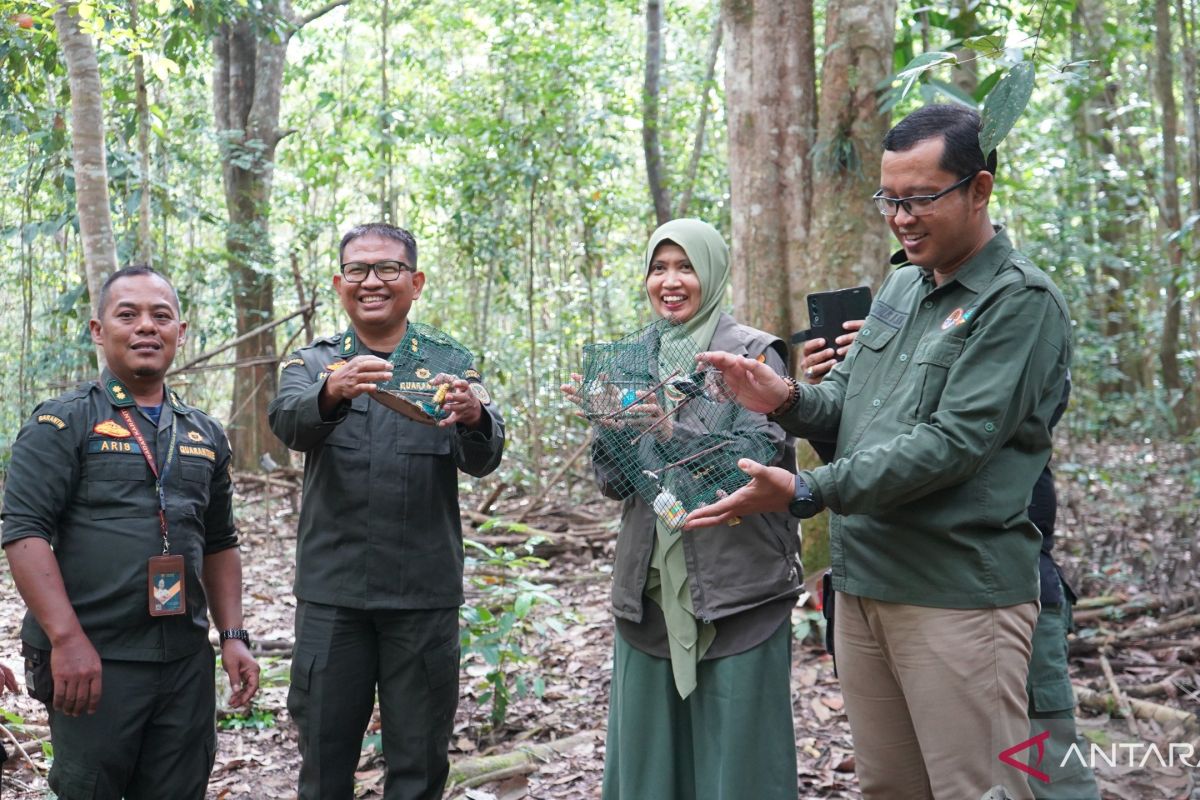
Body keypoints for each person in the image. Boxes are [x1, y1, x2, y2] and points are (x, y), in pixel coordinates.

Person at [687, 105, 1072, 800]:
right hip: (866, 587)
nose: (901, 217)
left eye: (921, 198)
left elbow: (951, 445)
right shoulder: (901, 285)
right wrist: (785, 398)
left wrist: (808, 491)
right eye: (890, 199)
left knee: (982, 788)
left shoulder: (1018, 303)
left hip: (956, 595)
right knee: (890, 787)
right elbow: (853, 406)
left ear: (979, 189)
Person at [563, 219, 802, 800]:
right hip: (648, 590)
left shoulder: (752, 352)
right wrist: (612, 431)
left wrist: (669, 430)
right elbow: (614, 483)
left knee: (741, 764)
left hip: (738, 587)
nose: (670, 282)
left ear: (713, 272)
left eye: (685, 267)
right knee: (649, 765)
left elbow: (754, 462)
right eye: (658, 268)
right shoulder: (630, 357)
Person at [802, 335, 1099, 799]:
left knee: (1044, 763)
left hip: (994, 586)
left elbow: (975, 434)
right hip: (889, 583)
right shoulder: (906, 316)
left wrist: (914, 368)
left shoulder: (1018, 317)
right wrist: (843, 393)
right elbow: (860, 470)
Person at [1, 266, 259, 800]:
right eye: (128, 314)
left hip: (184, 659)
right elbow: (24, 532)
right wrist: (66, 640)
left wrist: (233, 636)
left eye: (161, 316)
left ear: (180, 333)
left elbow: (220, 541)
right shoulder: (62, 423)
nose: (147, 327)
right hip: (94, 660)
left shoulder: (203, 432)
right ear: (99, 330)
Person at [268, 222, 505, 800]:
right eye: (358, 270)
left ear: (415, 282)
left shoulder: (449, 363)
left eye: (388, 269)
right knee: (324, 764)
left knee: (420, 764)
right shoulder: (312, 363)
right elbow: (288, 424)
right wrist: (334, 391)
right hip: (333, 597)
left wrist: (475, 416)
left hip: (422, 596)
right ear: (340, 282)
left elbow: (483, 458)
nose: (372, 281)